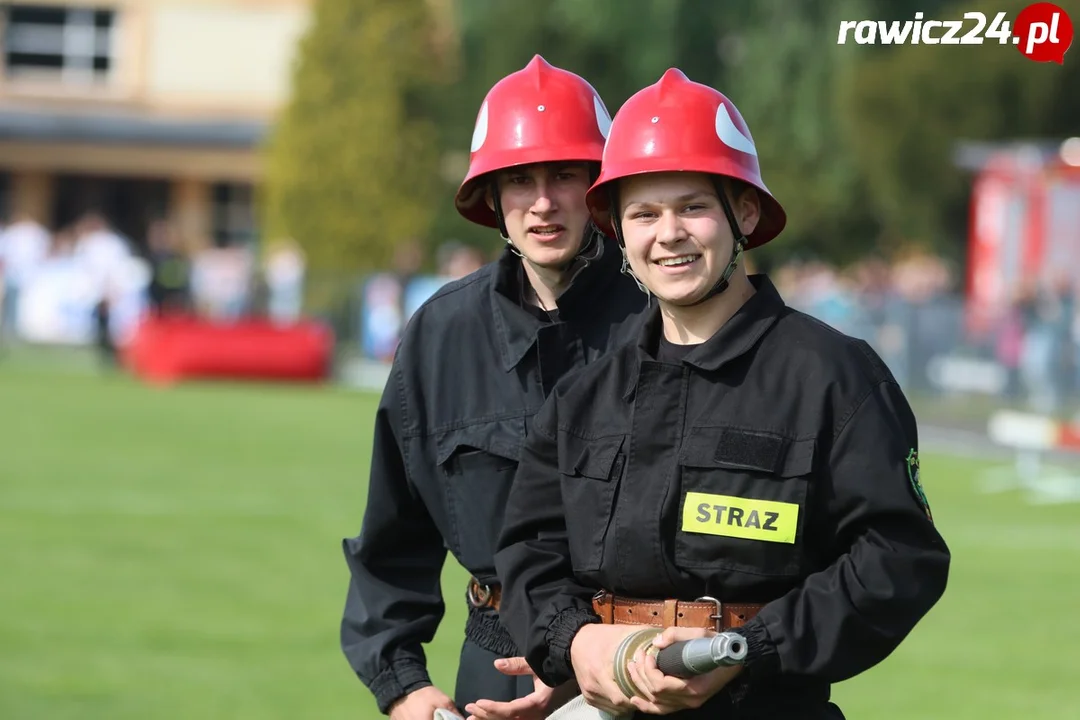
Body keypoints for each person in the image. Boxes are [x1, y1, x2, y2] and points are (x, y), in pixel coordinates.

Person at [494, 68, 951, 719]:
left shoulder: (832, 375)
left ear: (745, 212)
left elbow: (898, 559)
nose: (668, 233)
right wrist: (576, 641)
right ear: (619, 232)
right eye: (644, 213)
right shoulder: (585, 395)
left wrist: (746, 649)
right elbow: (528, 551)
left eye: (692, 207)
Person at [339, 55, 650, 720]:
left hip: (635, 668)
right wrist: (403, 686)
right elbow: (393, 535)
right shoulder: (440, 335)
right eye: (519, 179)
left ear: (601, 186)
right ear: (490, 197)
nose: (542, 202)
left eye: (565, 175)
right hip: (493, 670)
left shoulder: (667, 324)